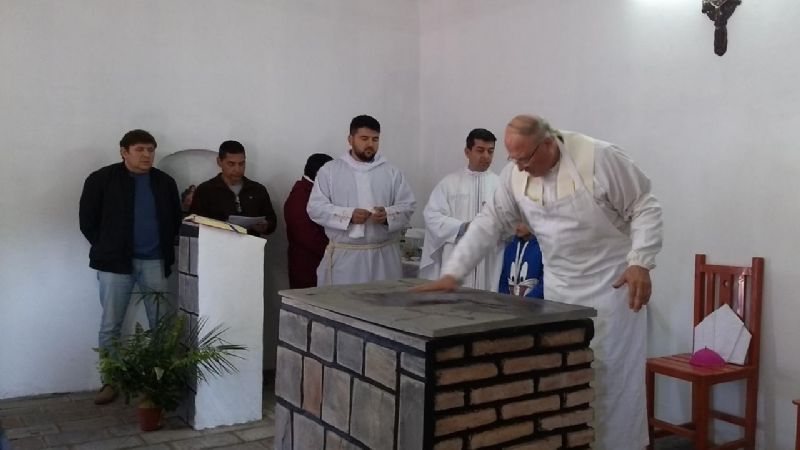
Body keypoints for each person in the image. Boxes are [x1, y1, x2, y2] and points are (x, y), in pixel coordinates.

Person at [414, 114, 663, 450]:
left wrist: (641, 262)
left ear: (548, 143)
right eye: (512, 159)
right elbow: (490, 223)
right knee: (564, 381)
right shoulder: (515, 173)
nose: (520, 167)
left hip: (612, 290)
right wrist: (452, 272)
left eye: (526, 158)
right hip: (560, 294)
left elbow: (644, 205)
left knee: (612, 384)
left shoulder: (599, 157)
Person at [79, 129, 182, 405]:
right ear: (124, 151)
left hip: (154, 262)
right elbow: (87, 221)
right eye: (140, 149)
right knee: (111, 324)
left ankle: (157, 382)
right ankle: (111, 381)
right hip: (115, 264)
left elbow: (174, 217)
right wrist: (106, 248)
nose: (147, 155)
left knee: (161, 324)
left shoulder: (164, 182)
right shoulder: (101, 179)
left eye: (150, 149)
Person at [307, 115, 416, 285]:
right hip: (347, 258)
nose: (370, 144)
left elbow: (408, 206)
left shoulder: (392, 172)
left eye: (375, 139)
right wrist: (348, 215)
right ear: (350, 139)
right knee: (344, 307)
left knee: (384, 306)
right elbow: (315, 208)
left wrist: (387, 215)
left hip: (384, 257)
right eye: (364, 138)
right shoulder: (329, 171)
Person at [419, 128, 504, 291]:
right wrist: (461, 227)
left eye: (490, 151)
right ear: (467, 151)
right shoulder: (449, 183)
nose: (486, 156)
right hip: (455, 253)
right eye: (480, 150)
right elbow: (432, 216)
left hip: (489, 259)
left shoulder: (500, 186)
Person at [189, 140, 277, 237]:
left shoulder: (257, 189)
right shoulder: (205, 190)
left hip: (249, 248)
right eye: (231, 164)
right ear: (219, 162)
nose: (237, 169)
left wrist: (265, 226)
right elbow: (195, 224)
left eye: (241, 164)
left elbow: (271, 220)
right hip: (217, 248)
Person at [284, 153, 334, 288]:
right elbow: (307, 237)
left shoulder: (315, 191)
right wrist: (338, 250)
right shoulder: (300, 196)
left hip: (320, 264)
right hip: (308, 267)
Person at [498, 222, 544, 298]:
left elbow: (544, 283)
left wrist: (528, 301)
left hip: (534, 306)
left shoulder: (542, 249)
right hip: (508, 307)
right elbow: (504, 279)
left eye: (521, 221)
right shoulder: (510, 248)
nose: (517, 225)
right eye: (516, 220)